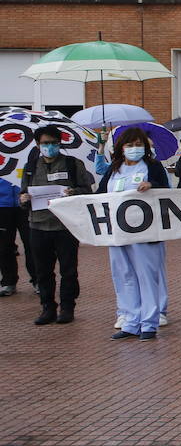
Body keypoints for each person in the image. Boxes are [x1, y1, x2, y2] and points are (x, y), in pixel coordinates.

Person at [99, 127, 170, 342]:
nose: (134, 149)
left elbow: (167, 190)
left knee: (147, 277)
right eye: (130, 145)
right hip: (118, 234)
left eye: (139, 145)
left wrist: (152, 185)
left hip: (146, 233)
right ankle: (130, 321)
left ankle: (149, 323)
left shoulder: (153, 166)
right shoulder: (114, 168)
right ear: (121, 148)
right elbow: (99, 195)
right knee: (124, 276)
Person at [19, 124, 94, 325]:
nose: (49, 147)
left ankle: (67, 307)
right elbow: (23, 194)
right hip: (38, 226)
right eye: (45, 143)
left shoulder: (72, 164)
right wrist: (24, 198)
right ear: (37, 145)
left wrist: (74, 192)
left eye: (53, 143)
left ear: (59, 143)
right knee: (43, 271)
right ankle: (47, 307)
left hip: (65, 226)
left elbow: (87, 190)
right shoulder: (30, 167)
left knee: (68, 270)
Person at [0, 169, 36, 298]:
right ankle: (8, 282)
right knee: (4, 247)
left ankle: (38, 281)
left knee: (32, 244)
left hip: (26, 203)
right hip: (2, 205)